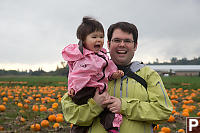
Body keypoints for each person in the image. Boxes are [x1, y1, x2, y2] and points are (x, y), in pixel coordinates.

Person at [61, 21, 173, 133]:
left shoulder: (148, 75)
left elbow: (163, 110)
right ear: (108, 44)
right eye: (117, 40)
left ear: (135, 46)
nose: (122, 44)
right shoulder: (87, 70)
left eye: (128, 41)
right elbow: (70, 114)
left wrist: (124, 106)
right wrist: (95, 106)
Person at [62, 16, 124, 133]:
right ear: (83, 40)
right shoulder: (85, 58)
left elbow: (105, 70)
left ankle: (111, 127)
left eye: (101, 37)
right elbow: (77, 75)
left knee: (107, 109)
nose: (99, 40)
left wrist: (113, 74)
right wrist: (73, 88)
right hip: (85, 90)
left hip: (95, 88)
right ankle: (107, 126)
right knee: (97, 111)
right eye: (94, 37)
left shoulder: (101, 55)